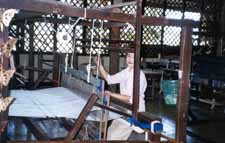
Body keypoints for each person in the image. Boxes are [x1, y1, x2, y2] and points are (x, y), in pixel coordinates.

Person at [96, 52, 147, 140]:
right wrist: (100, 65)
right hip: (124, 109)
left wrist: (111, 94)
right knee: (110, 132)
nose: (130, 59)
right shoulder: (126, 71)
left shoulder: (139, 76)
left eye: (134, 57)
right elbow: (110, 79)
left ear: (140, 59)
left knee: (114, 137)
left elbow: (130, 98)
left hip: (134, 111)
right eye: (128, 56)